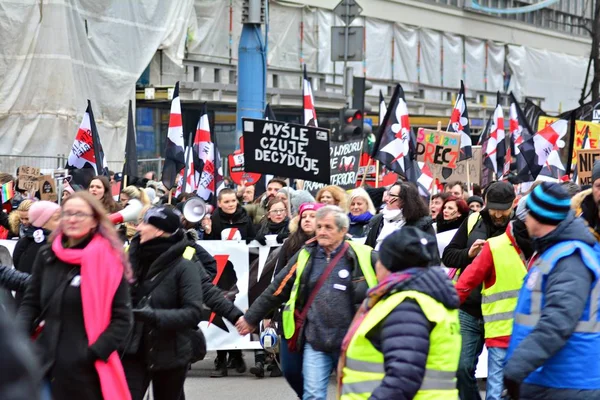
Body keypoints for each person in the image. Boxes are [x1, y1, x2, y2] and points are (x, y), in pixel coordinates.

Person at [236, 205, 378, 400]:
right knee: (312, 395)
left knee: (357, 395)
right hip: (315, 340)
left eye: (328, 227)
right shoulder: (306, 254)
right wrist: (251, 318)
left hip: (351, 342)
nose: (321, 231)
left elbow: (392, 283)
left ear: (343, 231)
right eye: (319, 227)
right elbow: (277, 288)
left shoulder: (364, 254)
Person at [17, 192, 133, 400]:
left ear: (94, 220)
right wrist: (19, 341)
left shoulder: (109, 260)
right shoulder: (47, 255)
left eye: (80, 214)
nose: (72, 219)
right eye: (67, 213)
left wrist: (92, 354)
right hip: (45, 365)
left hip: (85, 373)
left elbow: (123, 319)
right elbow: (30, 303)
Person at [338, 227, 461, 400]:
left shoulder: (407, 305)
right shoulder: (425, 298)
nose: (377, 266)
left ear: (390, 265)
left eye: (380, 260)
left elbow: (403, 378)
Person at [504, 183, 600, 400]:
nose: (524, 219)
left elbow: (558, 321)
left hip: (567, 382)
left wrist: (517, 367)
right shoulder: (557, 252)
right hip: (550, 379)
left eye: (527, 213)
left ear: (539, 217)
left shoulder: (570, 257)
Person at [442, 181, 516, 400]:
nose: (499, 214)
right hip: (470, 310)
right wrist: (469, 254)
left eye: (504, 209)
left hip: (503, 313)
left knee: (500, 380)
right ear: (485, 203)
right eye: (494, 208)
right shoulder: (472, 220)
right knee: (461, 367)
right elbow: (448, 255)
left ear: (513, 205)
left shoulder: (520, 226)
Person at [455, 196, 532, 400]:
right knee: (497, 391)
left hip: (530, 336)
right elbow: (465, 282)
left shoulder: (550, 246)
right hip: (504, 334)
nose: (498, 214)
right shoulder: (495, 246)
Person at [123, 206, 203, 400]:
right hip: (132, 351)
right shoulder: (131, 259)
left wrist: (154, 316)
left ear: (159, 230)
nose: (138, 227)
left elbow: (193, 312)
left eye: (144, 223)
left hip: (170, 354)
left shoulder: (184, 266)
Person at [203, 188, 254, 376]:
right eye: (227, 202)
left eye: (233, 201)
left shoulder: (245, 217)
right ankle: (221, 359)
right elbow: (209, 247)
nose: (231, 204)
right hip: (221, 274)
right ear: (220, 203)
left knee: (238, 311)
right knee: (221, 313)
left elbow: (252, 240)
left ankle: (236, 354)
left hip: (240, 273)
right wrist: (208, 232)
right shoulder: (214, 220)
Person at [10, 201, 61, 305]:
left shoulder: (59, 242)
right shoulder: (29, 243)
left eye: (26, 218)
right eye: (56, 219)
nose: (24, 222)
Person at [365, 182, 436, 251]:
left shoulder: (422, 225)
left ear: (405, 200)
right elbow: (367, 249)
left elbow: (431, 256)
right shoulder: (378, 220)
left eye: (391, 195)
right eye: (387, 194)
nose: (385, 198)